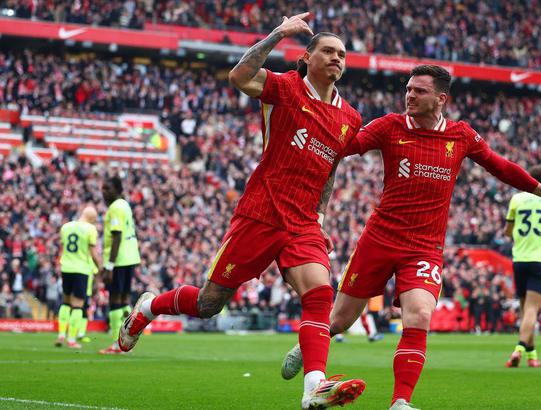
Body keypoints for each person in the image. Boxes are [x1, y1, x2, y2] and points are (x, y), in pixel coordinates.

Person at [281, 65, 541, 409]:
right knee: (340, 319)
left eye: (419, 91)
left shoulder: (461, 136)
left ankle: (400, 402)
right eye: (408, 89)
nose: (410, 96)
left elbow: (501, 166)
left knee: (420, 314)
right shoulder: (389, 126)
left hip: (424, 248)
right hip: (379, 240)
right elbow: (340, 147)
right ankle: (311, 343)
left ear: (441, 99)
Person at [119, 13, 365, 409]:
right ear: (306, 57)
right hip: (261, 212)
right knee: (209, 303)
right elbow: (239, 76)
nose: (337, 58)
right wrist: (277, 34)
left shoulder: (350, 117)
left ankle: (314, 387)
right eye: (328, 51)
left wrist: (320, 217)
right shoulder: (286, 86)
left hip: (303, 222)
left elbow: (330, 169)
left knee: (320, 293)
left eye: (342, 54)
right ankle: (147, 308)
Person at [504, 165, 541, 368]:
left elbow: (508, 231)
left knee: (524, 310)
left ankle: (532, 355)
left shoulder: (517, 199)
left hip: (520, 259)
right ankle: (519, 349)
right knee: (531, 310)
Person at [98, 176, 141, 354]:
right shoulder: (125, 205)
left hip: (119, 259)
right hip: (130, 256)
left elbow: (117, 236)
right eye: (102, 188)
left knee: (115, 299)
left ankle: (117, 344)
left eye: (107, 188)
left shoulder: (115, 207)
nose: (104, 192)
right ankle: (128, 341)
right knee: (124, 300)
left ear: (117, 189)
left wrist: (109, 266)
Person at [55, 206, 102, 349]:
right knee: (78, 305)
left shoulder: (66, 227)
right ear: (92, 218)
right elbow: (93, 252)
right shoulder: (90, 229)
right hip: (81, 269)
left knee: (65, 302)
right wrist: (101, 267)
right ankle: (71, 339)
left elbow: (62, 249)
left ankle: (61, 335)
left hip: (66, 267)